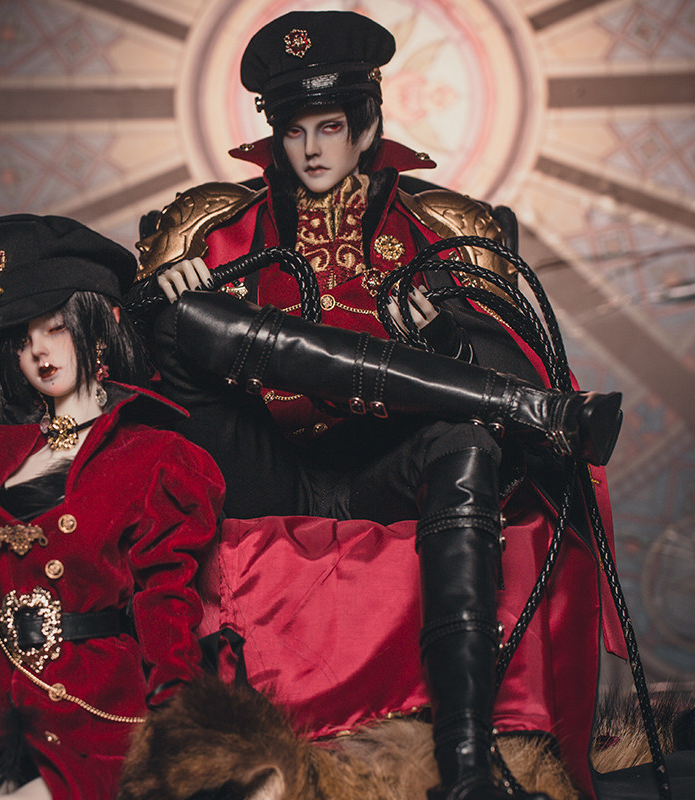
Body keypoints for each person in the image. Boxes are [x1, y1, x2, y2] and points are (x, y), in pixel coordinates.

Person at [127, 12, 624, 800]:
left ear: (365, 128)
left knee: (468, 437)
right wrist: (165, 294)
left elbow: (513, 351)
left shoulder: (440, 227)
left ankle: (467, 767)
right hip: (263, 472)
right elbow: (139, 373)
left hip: (383, 475)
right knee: (181, 318)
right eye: (294, 131)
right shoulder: (216, 227)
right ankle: (531, 408)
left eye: (330, 127)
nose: (312, 149)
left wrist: (449, 341)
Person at [0, 215, 224, 799]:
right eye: (22, 341)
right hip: (1, 717)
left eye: (55, 328)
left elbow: (164, 602)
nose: (39, 352)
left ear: (103, 323)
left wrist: (179, 728)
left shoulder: (156, 458)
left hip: (97, 718)